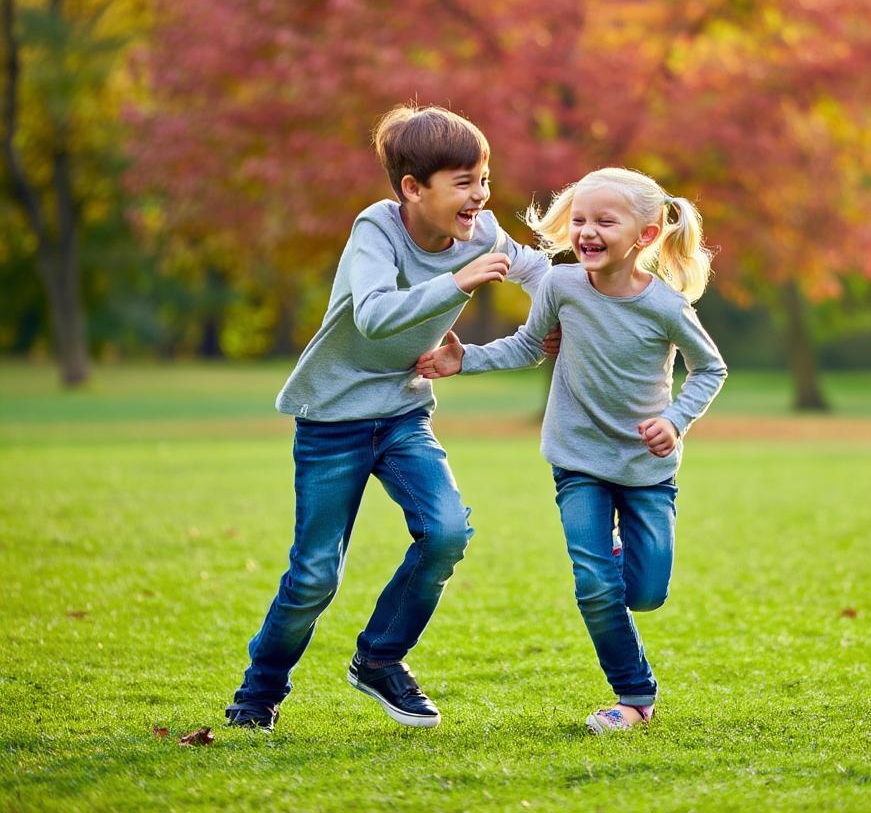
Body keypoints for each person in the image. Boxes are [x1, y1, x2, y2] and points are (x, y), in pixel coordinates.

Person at [225, 104, 555, 732]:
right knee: (316, 574)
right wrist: (459, 283)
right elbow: (373, 314)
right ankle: (257, 696)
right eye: (464, 182)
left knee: (448, 531)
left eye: (484, 179)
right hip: (333, 421)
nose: (481, 197)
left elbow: (539, 273)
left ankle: (379, 659)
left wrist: (561, 323)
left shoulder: (481, 233)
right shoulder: (375, 231)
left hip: (403, 414)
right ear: (413, 188)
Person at [416, 167, 727, 733]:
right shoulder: (561, 287)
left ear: (646, 236)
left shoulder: (666, 307)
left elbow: (710, 368)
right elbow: (529, 345)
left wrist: (676, 419)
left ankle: (612, 569)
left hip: (646, 469)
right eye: (579, 219)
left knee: (647, 591)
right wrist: (468, 360)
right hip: (577, 461)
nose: (586, 230)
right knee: (594, 586)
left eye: (604, 221)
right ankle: (634, 696)